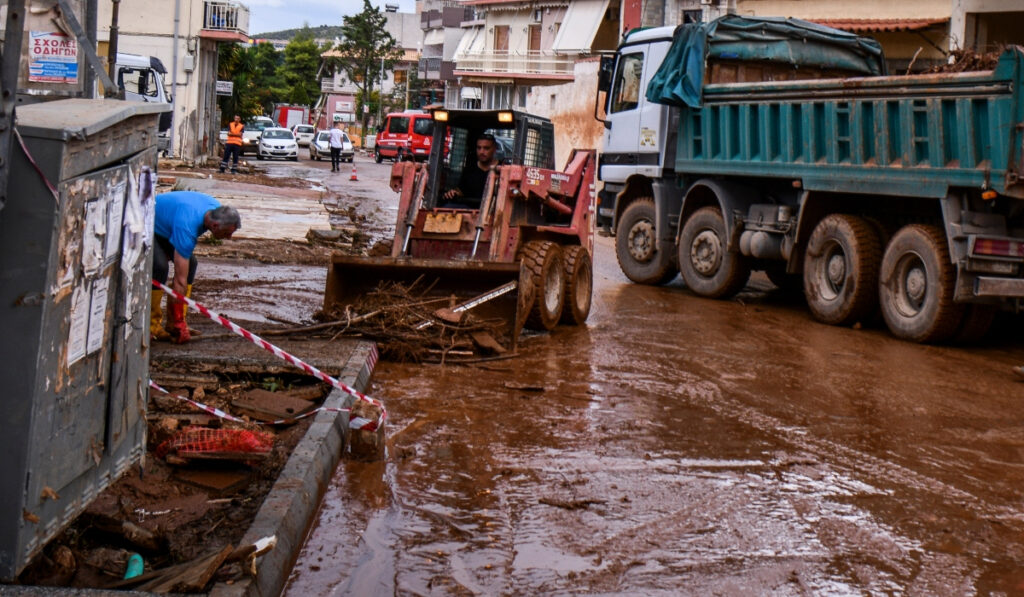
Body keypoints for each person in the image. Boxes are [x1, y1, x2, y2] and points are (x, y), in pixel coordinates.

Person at [150, 191, 241, 343]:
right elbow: (180, 281)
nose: (229, 238)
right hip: (148, 224)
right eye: (226, 233)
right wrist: (181, 323)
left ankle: (173, 324)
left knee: (191, 264)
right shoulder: (188, 225)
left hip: (170, 224)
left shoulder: (216, 210)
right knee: (160, 267)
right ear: (215, 225)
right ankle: (152, 325)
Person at [443, 134, 498, 208]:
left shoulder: (502, 170)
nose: (481, 152)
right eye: (479, 148)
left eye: (486, 148)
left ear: (494, 149)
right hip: (470, 210)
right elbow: (461, 191)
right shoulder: (469, 170)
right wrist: (453, 193)